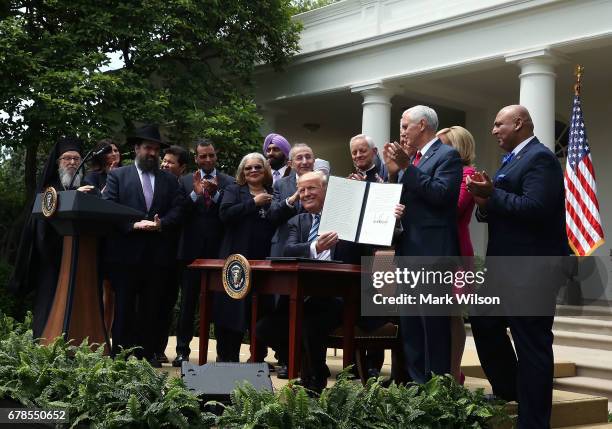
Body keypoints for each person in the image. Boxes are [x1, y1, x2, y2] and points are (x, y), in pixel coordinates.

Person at [466, 105, 567, 428]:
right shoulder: (512, 160)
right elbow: (502, 206)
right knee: (483, 322)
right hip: (503, 268)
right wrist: (484, 203)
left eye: (499, 124)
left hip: (531, 269)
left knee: (532, 344)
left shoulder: (541, 158)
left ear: (519, 123)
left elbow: (536, 208)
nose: (494, 130)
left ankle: (534, 421)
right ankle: (513, 389)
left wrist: (492, 195)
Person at [259, 171, 403, 392]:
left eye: (312, 189)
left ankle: (315, 381)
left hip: (345, 299)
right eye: (302, 189)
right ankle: (309, 366)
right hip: (305, 298)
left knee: (310, 320)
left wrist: (393, 221)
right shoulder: (298, 220)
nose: (305, 194)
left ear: (327, 191)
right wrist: (315, 247)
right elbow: (288, 249)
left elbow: (378, 240)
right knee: (264, 328)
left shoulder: (350, 219)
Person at [383, 105, 463, 384]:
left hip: (432, 255)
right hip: (407, 252)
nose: (402, 131)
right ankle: (417, 390)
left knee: (434, 327)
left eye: (405, 126)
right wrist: (394, 175)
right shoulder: (413, 160)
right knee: (411, 328)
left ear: (423, 126)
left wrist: (405, 167)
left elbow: (441, 195)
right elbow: (409, 199)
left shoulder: (447, 155)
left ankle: (438, 392)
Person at [102, 124, 184, 365]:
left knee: (152, 309)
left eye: (156, 149)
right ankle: (120, 356)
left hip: (157, 257)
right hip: (126, 255)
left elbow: (179, 209)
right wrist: (132, 225)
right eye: (148, 148)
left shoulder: (169, 180)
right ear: (136, 148)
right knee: (125, 307)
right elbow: (110, 208)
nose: (152, 153)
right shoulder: (118, 176)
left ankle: (147, 356)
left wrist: (162, 224)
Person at [9, 136, 94, 338]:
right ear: (58, 162)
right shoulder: (49, 187)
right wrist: (72, 197)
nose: (72, 162)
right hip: (51, 259)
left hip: (82, 259)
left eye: (76, 158)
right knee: (48, 304)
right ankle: (45, 347)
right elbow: (44, 216)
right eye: (67, 158)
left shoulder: (88, 186)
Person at [173, 139, 234, 367]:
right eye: (202, 156)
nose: (207, 159)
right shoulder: (185, 181)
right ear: (196, 158)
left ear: (215, 155)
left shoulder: (228, 182)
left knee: (220, 304)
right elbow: (179, 212)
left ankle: (222, 353)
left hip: (219, 253)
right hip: (190, 253)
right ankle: (182, 351)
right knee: (188, 304)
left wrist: (216, 195)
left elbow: (227, 214)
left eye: (211, 155)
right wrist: (195, 195)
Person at [214, 153, 276, 362]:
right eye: (248, 168)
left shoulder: (273, 192)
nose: (253, 171)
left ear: (265, 170)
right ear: (242, 172)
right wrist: (254, 203)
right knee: (232, 311)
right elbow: (225, 215)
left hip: (264, 263)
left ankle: (257, 359)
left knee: (260, 311)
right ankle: (227, 359)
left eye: (258, 167)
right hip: (237, 262)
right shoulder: (234, 190)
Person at [436, 125, 477, 385]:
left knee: (451, 314)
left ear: (458, 147)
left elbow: (457, 206)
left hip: (456, 252)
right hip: (434, 253)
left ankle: (453, 374)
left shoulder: (468, 174)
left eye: (443, 144)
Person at [84, 139, 123, 336]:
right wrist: (112, 179)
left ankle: (108, 335)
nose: (115, 154)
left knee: (113, 291)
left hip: (119, 239)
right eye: (110, 151)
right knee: (99, 287)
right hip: (98, 240)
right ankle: (95, 333)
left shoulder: (126, 175)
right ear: (101, 155)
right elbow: (98, 201)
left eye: (117, 150)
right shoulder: (92, 177)